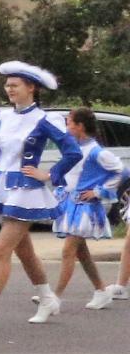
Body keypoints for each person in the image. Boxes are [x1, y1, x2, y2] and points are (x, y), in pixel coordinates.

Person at [0, 62, 80, 327]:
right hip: (4, 187)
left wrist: (50, 175)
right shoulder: (2, 117)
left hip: (27, 191)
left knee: (1, 249)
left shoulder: (45, 119)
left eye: (15, 85)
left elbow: (73, 152)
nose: (9, 89)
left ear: (31, 88)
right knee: (24, 252)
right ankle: (48, 298)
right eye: (7, 85)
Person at [51, 108, 121, 309]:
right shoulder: (73, 148)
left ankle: (54, 297)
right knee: (81, 253)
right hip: (71, 204)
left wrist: (98, 192)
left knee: (68, 251)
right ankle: (101, 290)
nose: (67, 127)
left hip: (85, 209)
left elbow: (120, 171)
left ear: (80, 126)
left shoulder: (97, 152)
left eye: (69, 123)